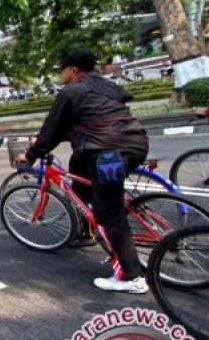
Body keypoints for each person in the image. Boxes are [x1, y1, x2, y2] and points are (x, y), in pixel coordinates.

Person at [13, 50, 149, 294]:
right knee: (82, 177)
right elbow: (87, 122)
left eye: (62, 69)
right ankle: (93, 229)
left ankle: (132, 276)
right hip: (133, 143)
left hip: (108, 153)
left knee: (109, 213)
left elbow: (52, 130)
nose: (60, 74)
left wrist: (30, 154)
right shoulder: (105, 86)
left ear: (73, 70)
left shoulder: (71, 91)